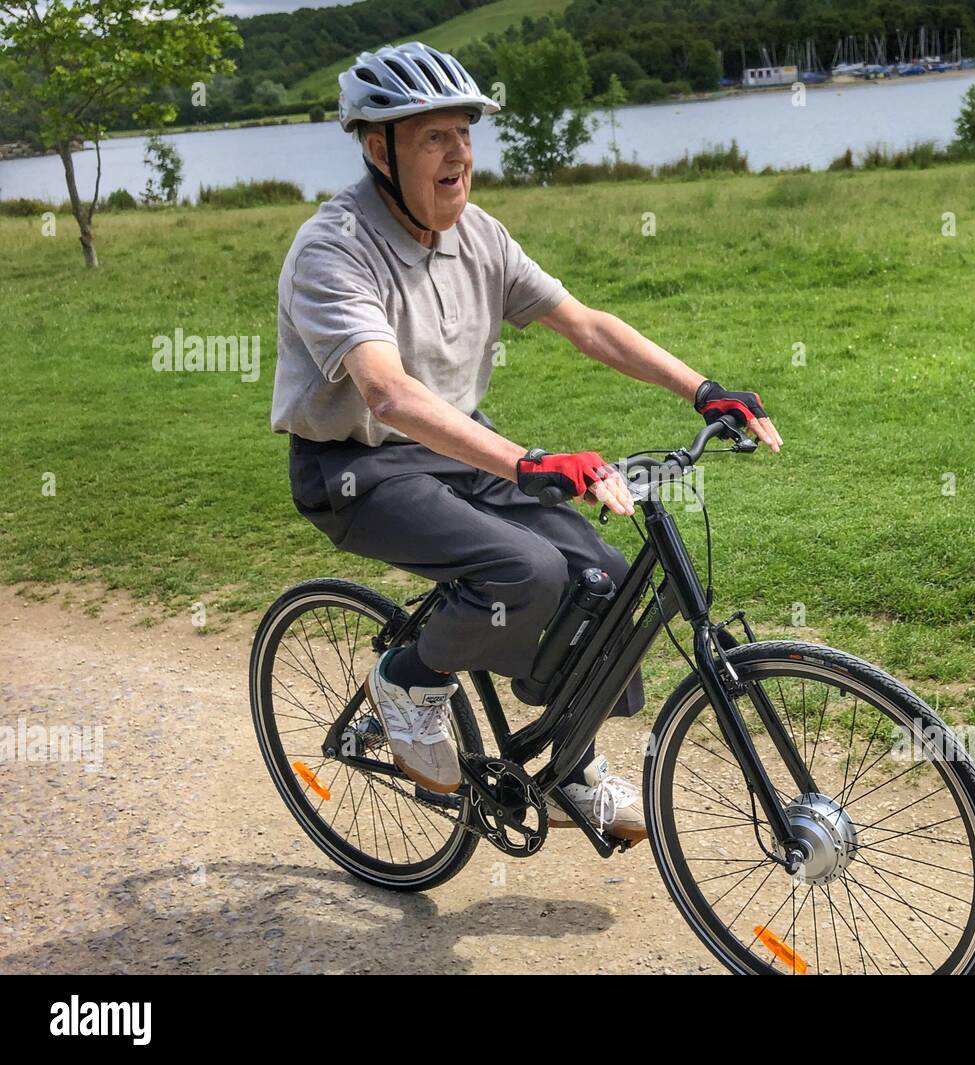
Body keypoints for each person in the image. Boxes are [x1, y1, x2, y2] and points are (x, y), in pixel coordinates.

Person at [270, 42, 782, 845]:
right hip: (355, 466)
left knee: (606, 575)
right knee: (525, 569)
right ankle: (406, 681)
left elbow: (583, 324)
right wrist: (527, 462)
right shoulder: (334, 249)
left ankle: (569, 759)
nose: (459, 154)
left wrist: (701, 387)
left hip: (456, 448)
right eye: (433, 137)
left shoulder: (479, 235)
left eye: (463, 134)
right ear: (379, 149)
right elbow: (387, 392)